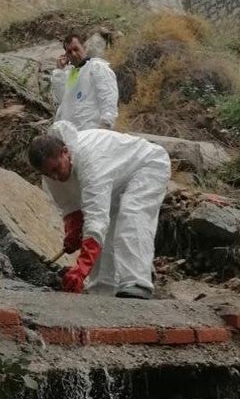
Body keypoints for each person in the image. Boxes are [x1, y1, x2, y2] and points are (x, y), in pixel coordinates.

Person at [29, 120, 170, 299]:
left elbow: (95, 220)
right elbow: (71, 207)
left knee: (131, 216)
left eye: (56, 169)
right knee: (105, 235)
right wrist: (73, 233)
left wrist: (81, 269)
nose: (55, 177)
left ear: (65, 152)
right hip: (113, 182)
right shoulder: (51, 176)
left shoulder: (90, 160)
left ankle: (137, 282)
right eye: (48, 173)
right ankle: (102, 291)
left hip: (146, 165)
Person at [50, 33, 118, 131]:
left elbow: (108, 96)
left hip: (92, 133)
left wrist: (106, 125)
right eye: (69, 52)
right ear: (66, 55)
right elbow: (61, 100)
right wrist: (59, 72)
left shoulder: (97, 67)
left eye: (76, 49)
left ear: (84, 48)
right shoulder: (70, 74)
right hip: (72, 136)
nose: (73, 54)